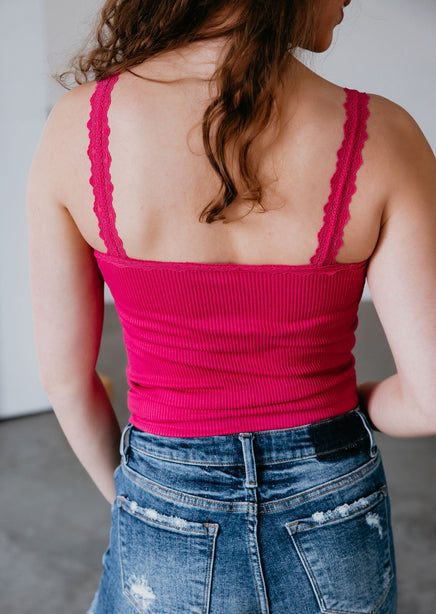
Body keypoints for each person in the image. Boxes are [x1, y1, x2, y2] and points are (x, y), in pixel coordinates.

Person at [27, 0, 436, 612]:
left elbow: (64, 379)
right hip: (334, 495)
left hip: (166, 492)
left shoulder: (79, 128)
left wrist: (143, 503)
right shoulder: (386, 136)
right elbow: (431, 398)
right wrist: (352, 407)